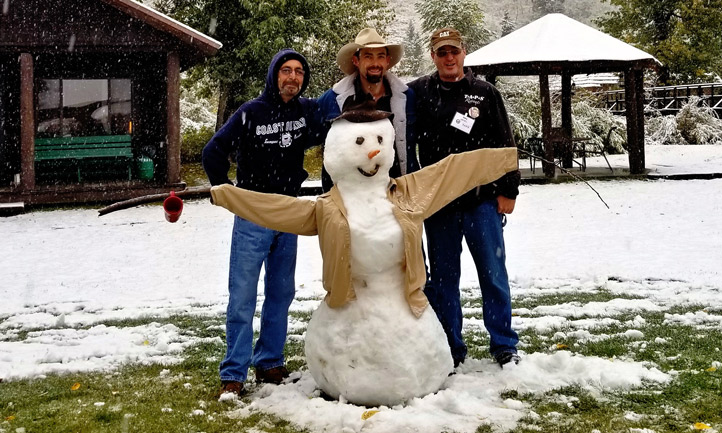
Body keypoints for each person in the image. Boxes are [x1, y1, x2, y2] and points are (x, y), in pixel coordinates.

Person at [202, 49, 320, 395]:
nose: (293, 77)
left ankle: (269, 362)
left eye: (299, 72)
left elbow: (335, 114)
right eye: (286, 70)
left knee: (280, 292)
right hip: (253, 213)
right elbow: (213, 150)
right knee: (242, 296)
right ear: (274, 75)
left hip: (288, 212)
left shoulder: (305, 112)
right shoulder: (250, 113)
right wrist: (223, 190)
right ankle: (234, 373)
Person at [408, 28, 521, 368]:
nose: (448, 58)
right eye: (441, 52)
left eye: (453, 51)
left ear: (464, 52)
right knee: (443, 281)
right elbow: (404, 141)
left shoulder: (485, 93)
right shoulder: (417, 93)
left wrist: (508, 190)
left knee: (493, 275)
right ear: (433, 55)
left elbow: (505, 143)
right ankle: (449, 348)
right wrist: (415, 185)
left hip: (482, 202)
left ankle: (503, 344)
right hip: (439, 205)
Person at [317, 28, 419, 191]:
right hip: (351, 198)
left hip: (398, 195)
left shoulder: (408, 98)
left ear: (387, 60)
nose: (375, 63)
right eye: (368, 56)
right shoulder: (332, 101)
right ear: (356, 61)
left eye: (380, 56)